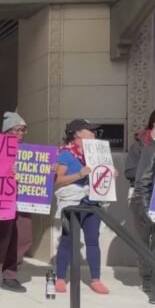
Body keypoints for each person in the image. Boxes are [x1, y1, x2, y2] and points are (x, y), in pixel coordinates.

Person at [54, 119, 113, 295]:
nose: (94, 133)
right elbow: (57, 181)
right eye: (90, 130)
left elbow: (99, 178)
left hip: (92, 202)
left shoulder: (96, 155)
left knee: (93, 241)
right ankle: (60, 278)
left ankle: (96, 279)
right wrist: (79, 175)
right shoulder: (65, 154)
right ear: (78, 133)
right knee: (67, 240)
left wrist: (109, 175)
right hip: (72, 203)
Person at [0, 112, 31, 293]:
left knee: (23, 238)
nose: (21, 133)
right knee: (1, 238)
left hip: (24, 200)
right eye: (17, 129)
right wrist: (6, 170)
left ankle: (10, 276)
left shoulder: (29, 152)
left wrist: (48, 170)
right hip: (2, 200)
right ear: (6, 131)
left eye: (23, 130)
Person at [126, 107, 155, 294]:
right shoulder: (140, 146)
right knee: (143, 240)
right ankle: (147, 279)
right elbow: (130, 172)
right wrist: (149, 166)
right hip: (142, 197)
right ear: (154, 121)